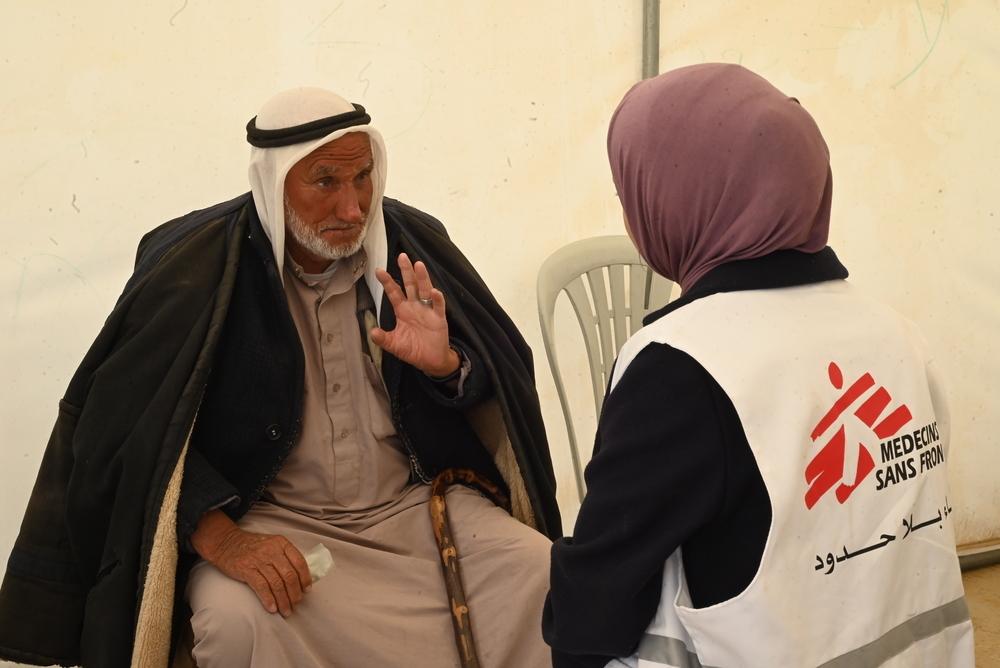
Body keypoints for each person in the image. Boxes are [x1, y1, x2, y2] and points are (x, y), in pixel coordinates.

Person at [0, 87, 560, 668]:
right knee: (236, 621)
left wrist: (446, 367)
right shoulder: (196, 267)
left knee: (540, 574)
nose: (353, 207)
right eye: (325, 182)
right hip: (276, 523)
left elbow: (498, 385)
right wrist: (222, 539)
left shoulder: (411, 249)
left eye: (363, 178)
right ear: (275, 181)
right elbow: (122, 431)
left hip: (415, 509)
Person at [543, 64, 973, 667]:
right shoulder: (897, 336)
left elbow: (599, 598)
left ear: (675, 196)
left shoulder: (682, 365)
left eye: (632, 190)